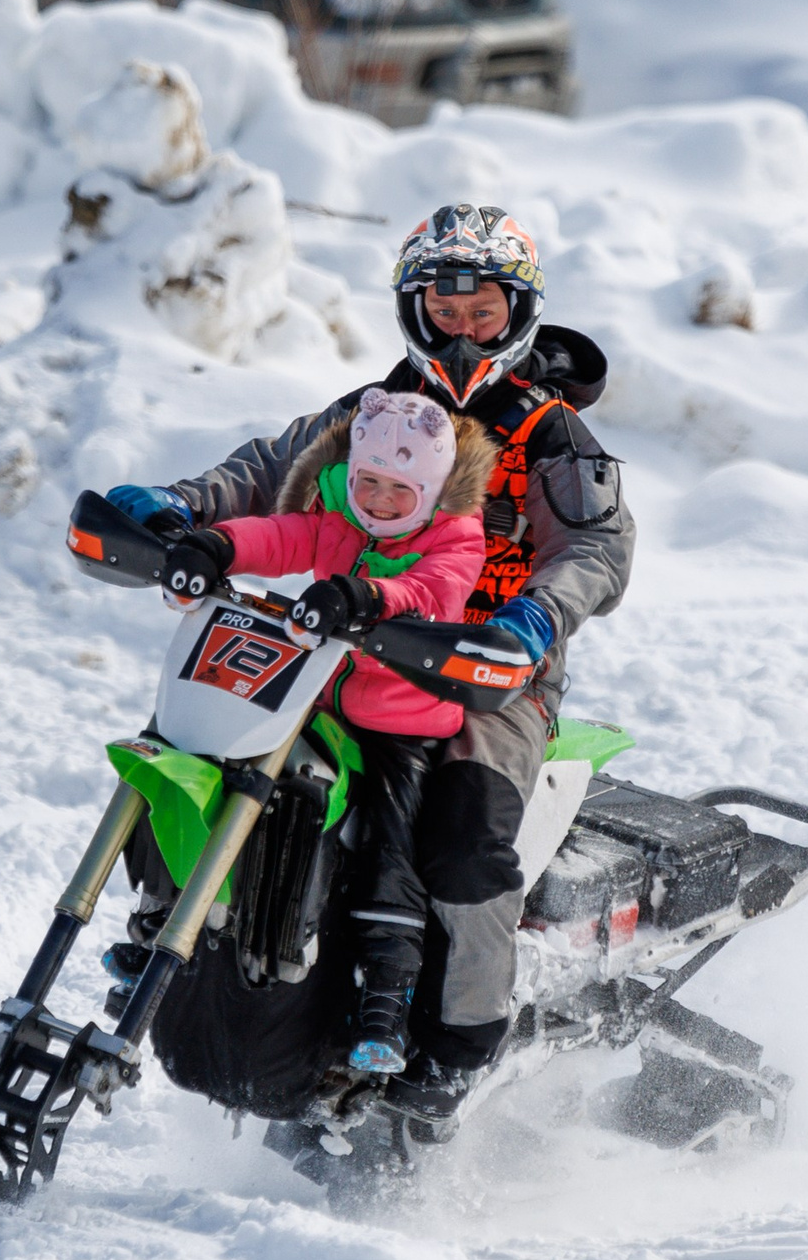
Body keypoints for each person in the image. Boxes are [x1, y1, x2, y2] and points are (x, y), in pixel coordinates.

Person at [107, 204, 634, 1117]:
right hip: (343, 650)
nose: (465, 335)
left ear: (518, 316)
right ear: (415, 312)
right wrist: (180, 507)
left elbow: (596, 546)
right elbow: (273, 474)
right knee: (207, 745)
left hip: (489, 674)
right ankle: (178, 928)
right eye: (446, 311)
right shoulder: (375, 413)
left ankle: (460, 1040)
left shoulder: (550, 436)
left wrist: (540, 619)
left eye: (485, 315)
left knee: (465, 834)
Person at [139, 388, 496, 1072]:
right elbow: (282, 537)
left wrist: (365, 595)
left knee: (394, 848)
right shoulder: (338, 512)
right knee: (207, 760)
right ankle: (162, 917)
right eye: (367, 482)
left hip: (403, 720)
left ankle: (384, 1006)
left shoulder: (455, 532)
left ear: (431, 489)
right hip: (317, 700)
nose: (380, 501)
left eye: (399, 489)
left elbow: (435, 589)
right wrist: (217, 545)